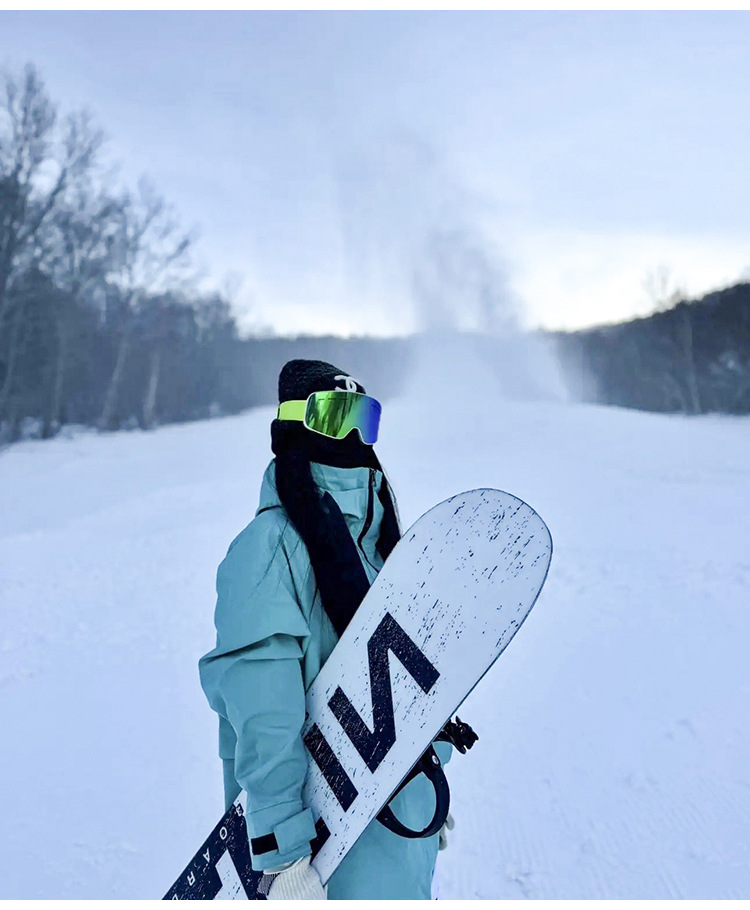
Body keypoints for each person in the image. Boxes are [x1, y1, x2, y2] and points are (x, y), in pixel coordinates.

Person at [198, 359, 452, 900]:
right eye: (336, 415)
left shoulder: (385, 549)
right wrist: (281, 856)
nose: (354, 436)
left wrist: (426, 781)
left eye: (366, 418)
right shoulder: (269, 549)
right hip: (316, 857)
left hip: (398, 832)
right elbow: (263, 713)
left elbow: (406, 680)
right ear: (294, 426)